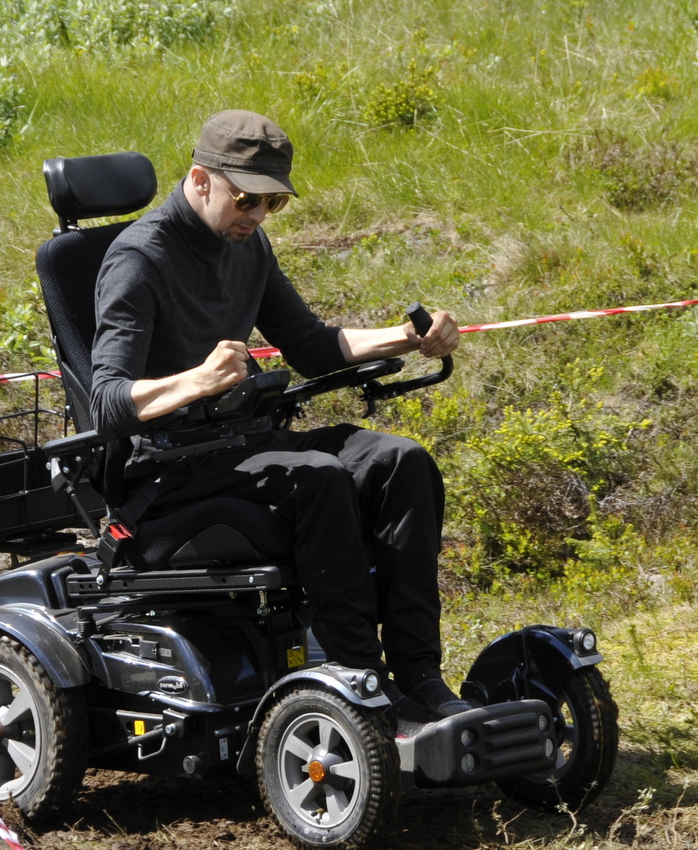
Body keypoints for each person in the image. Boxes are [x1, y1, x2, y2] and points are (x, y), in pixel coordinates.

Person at [89, 110, 467, 730]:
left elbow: (312, 346)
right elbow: (105, 403)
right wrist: (197, 382)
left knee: (402, 460)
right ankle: (361, 684)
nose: (258, 217)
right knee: (316, 475)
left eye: (272, 206)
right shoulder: (138, 258)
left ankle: (420, 674)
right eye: (247, 200)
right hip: (165, 475)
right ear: (201, 179)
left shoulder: (248, 246)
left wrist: (407, 338)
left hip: (241, 447)